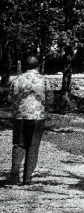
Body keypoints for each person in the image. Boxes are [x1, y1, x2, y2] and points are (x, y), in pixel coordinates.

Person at [8, 56, 47, 185]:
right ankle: (27, 178)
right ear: (38, 65)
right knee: (33, 146)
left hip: (20, 116)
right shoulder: (44, 80)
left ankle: (15, 171)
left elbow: (10, 97)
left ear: (25, 66)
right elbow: (51, 98)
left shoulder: (16, 80)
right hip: (37, 116)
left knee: (19, 144)